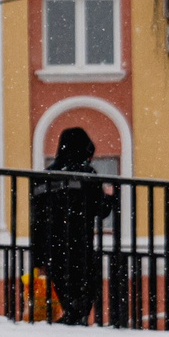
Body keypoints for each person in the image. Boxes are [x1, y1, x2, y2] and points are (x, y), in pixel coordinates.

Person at [31, 127, 116, 326]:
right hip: (79, 244)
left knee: (66, 293)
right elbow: (100, 210)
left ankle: (70, 319)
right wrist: (111, 197)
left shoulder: (44, 177)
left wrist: (38, 257)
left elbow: (37, 218)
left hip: (52, 246)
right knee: (85, 292)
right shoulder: (86, 174)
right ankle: (73, 321)